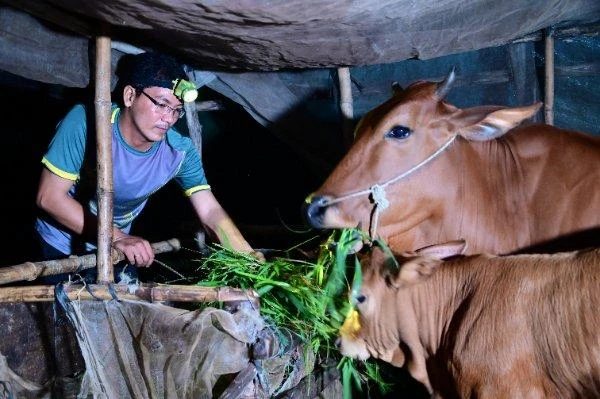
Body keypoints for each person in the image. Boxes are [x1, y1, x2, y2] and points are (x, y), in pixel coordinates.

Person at [35, 51, 259, 283]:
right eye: (161, 104)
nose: (169, 118)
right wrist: (117, 237)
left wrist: (248, 257)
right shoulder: (86, 122)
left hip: (118, 244)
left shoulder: (179, 151)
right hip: (64, 240)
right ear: (130, 96)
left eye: (176, 110)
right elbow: (49, 198)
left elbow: (210, 212)